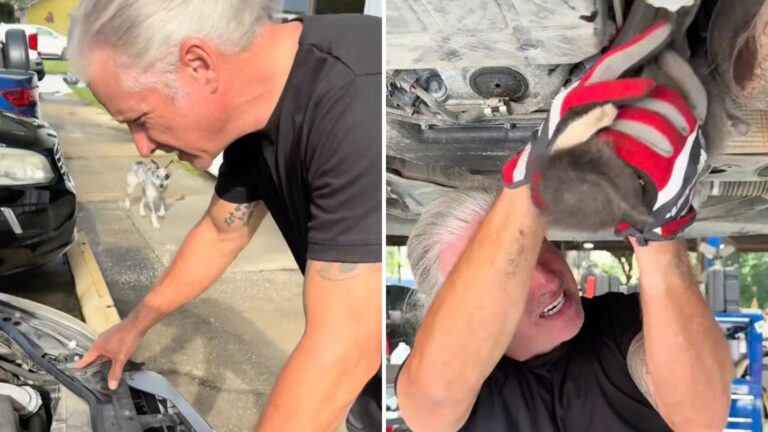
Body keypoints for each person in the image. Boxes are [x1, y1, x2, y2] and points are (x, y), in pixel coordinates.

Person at [395, 22, 732, 432]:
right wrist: (525, 190)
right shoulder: (463, 397)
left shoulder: (616, 326)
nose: (544, 277)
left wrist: (656, 235)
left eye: (536, 247)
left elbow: (697, 412)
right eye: (510, 275)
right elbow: (430, 401)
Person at [67, 1, 382, 430]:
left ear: (198, 65)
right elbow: (221, 231)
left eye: (141, 119)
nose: (143, 147)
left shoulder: (358, 100)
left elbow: (345, 345)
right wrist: (133, 325)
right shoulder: (256, 109)